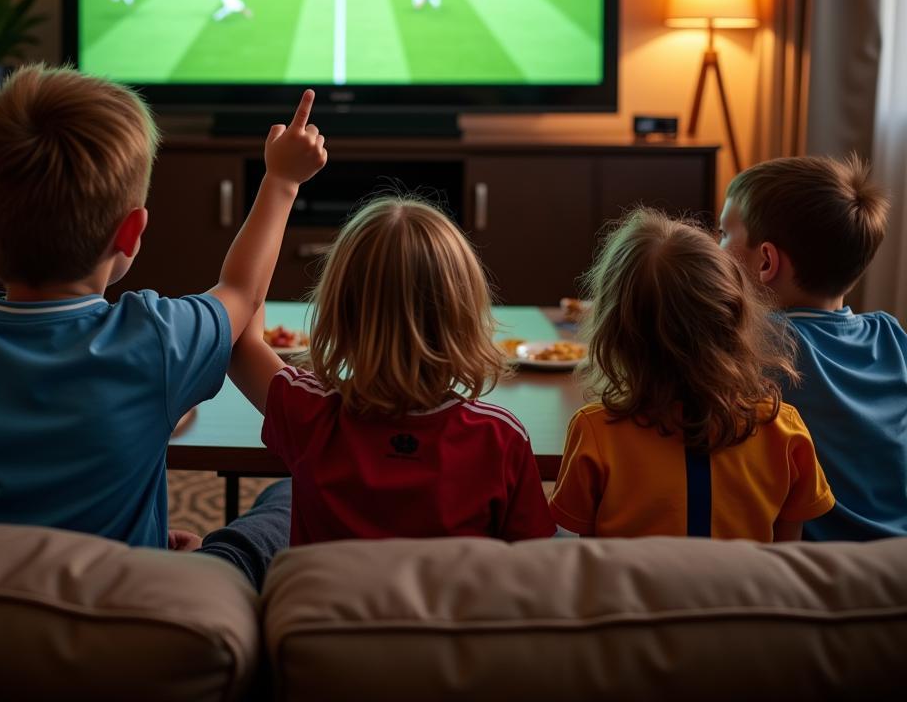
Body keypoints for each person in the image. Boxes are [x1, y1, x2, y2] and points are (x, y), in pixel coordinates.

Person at [0, 65, 327, 589]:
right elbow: (242, 293)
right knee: (286, 498)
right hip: (120, 618)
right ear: (132, 232)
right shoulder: (158, 339)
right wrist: (281, 181)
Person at [216, 198, 556, 546]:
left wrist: (281, 183)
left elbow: (238, 338)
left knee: (276, 499)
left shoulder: (310, 413)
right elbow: (533, 564)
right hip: (445, 602)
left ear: (339, 314)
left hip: (328, 599)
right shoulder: (500, 439)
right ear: (465, 316)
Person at [551, 208, 834, 542]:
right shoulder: (784, 429)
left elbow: (587, 555)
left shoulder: (596, 431)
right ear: (735, 318)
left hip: (634, 595)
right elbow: (787, 559)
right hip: (746, 595)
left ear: (615, 333)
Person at [720, 154, 905, 540]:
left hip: (815, 570)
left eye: (723, 235)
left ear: (766, 261)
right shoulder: (892, 337)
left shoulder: (754, 344)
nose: (716, 248)